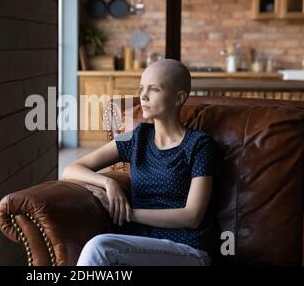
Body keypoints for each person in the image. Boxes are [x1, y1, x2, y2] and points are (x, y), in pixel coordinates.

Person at [61, 59, 220, 266]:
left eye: (154, 89)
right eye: (142, 88)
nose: (143, 96)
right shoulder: (138, 138)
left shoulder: (199, 144)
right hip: (140, 245)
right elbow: (71, 169)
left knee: (100, 248)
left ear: (178, 98)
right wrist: (109, 183)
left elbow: (192, 216)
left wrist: (129, 214)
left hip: (188, 248)